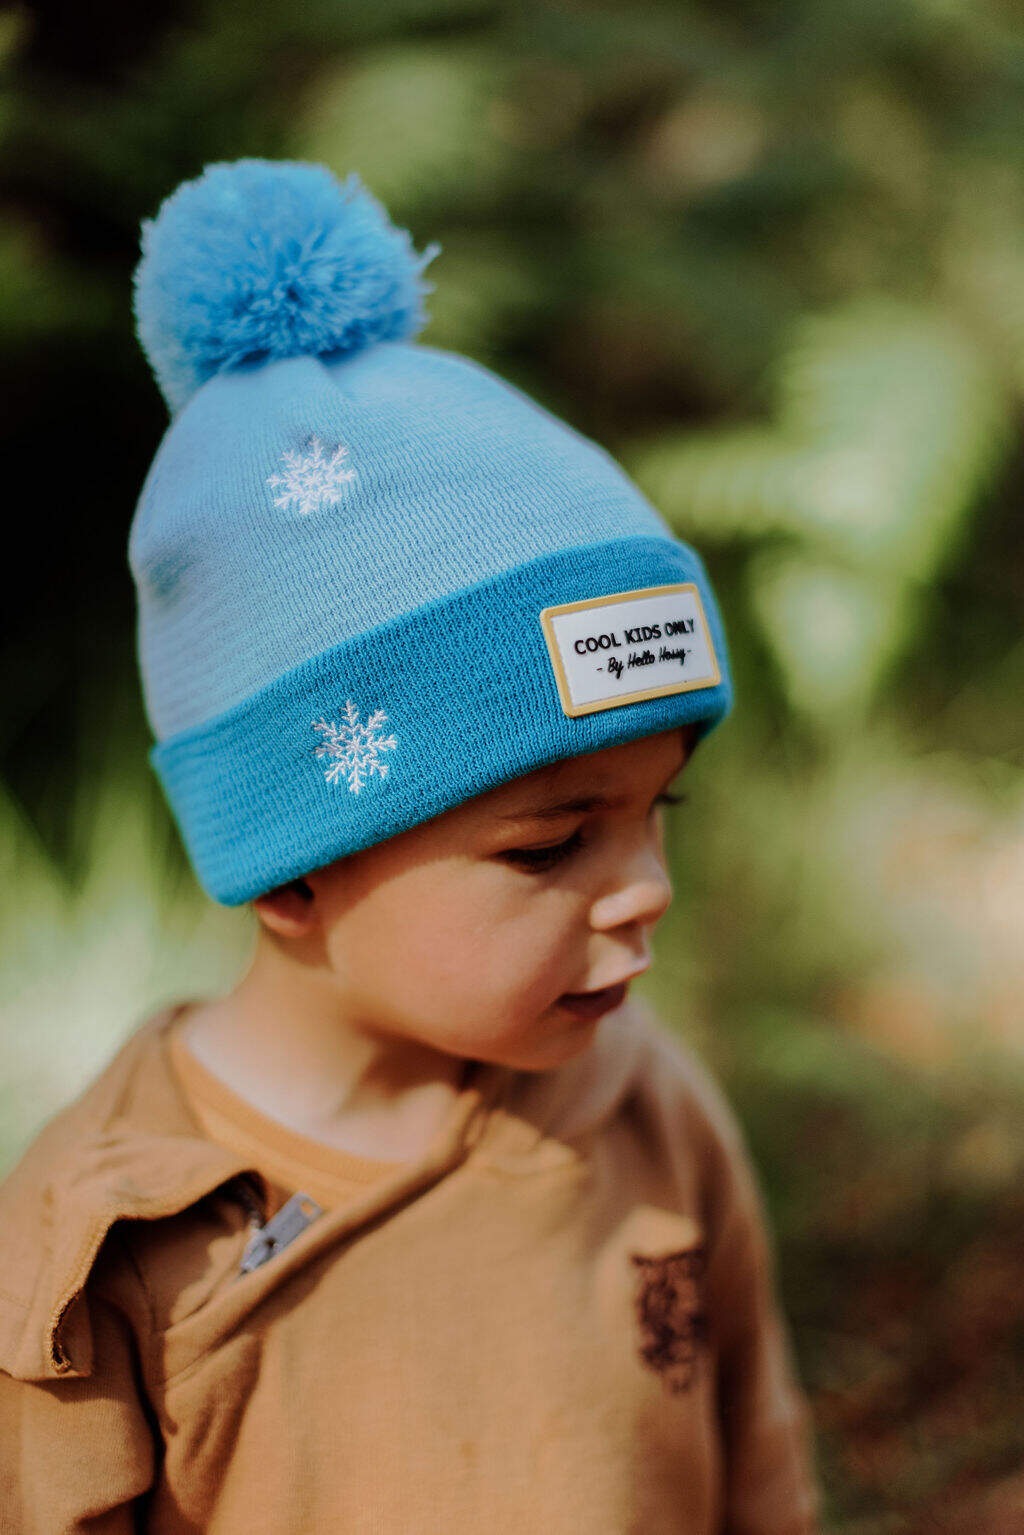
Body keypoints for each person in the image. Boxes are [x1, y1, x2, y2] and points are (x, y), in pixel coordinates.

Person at [0, 158, 822, 1533]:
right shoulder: (117, 1240)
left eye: (657, 813)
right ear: (294, 872)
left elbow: (763, 1468)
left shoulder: (650, 1113)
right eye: (549, 846)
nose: (646, 892)